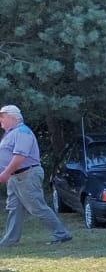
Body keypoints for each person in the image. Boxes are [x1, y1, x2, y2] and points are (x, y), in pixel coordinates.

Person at [0, 105, 73, 246]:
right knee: (14, 208)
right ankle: (9, 241)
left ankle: (62, 234)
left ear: (12, 117)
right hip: (15, 177)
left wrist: (6, 173)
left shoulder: (22, 131)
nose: (0, 120)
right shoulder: (10, 133)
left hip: (27, 174)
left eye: (2, 116)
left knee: (37, 207)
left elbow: (20, 156)